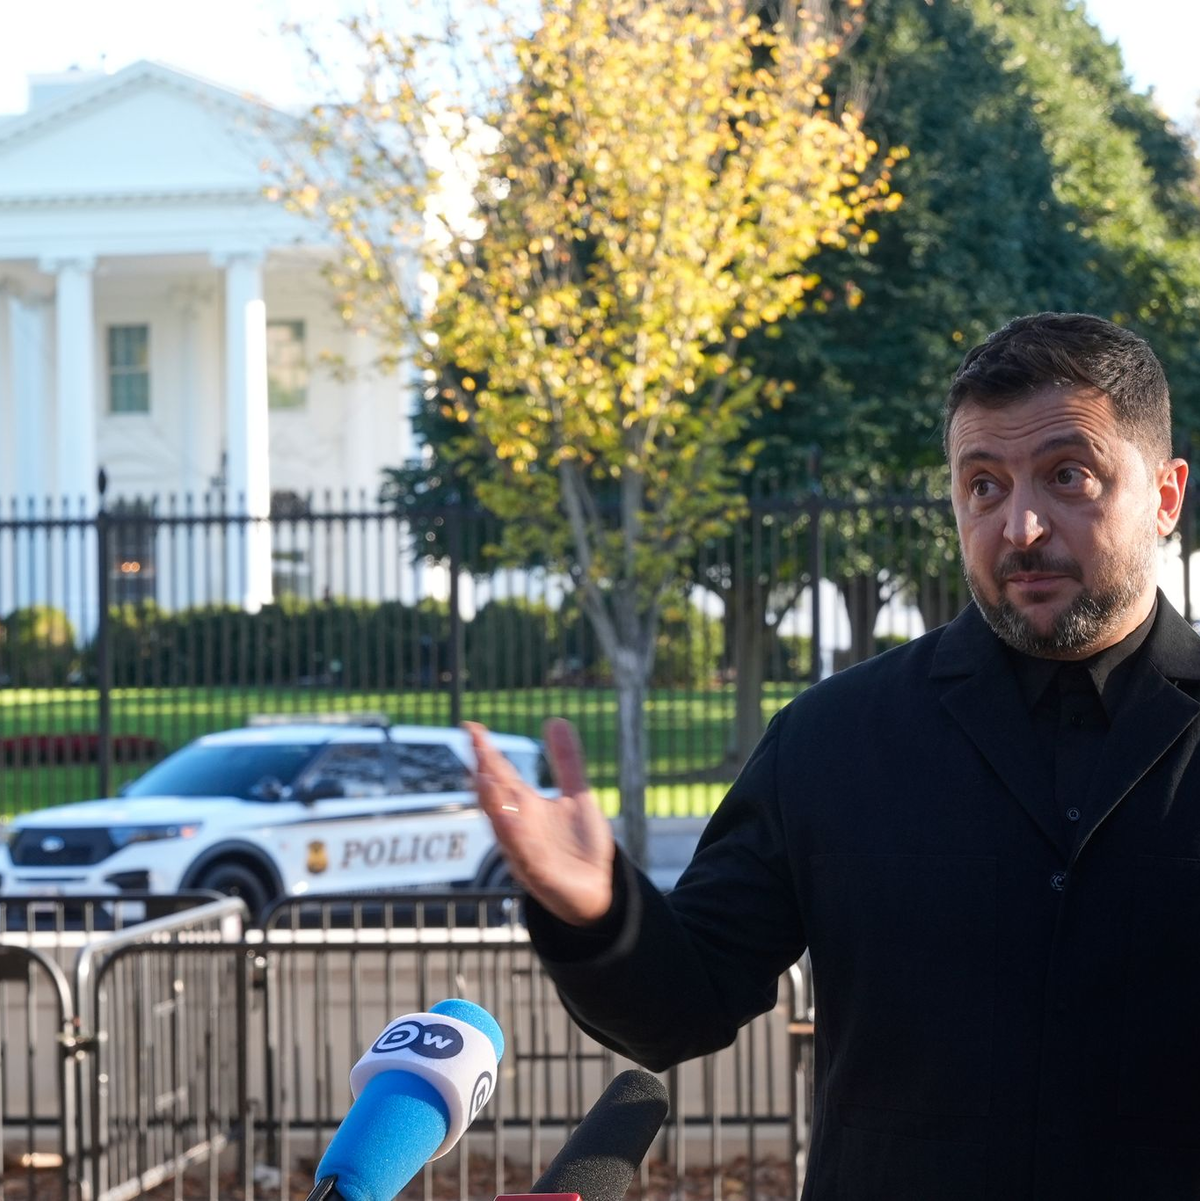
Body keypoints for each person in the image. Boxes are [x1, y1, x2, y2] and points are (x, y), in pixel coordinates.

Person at [467, 312, 1200, 1199]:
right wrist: (595, 911)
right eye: (982, 486)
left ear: (1165, 494)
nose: (1021, 525)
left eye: (1067, 475)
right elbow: (684, 1002)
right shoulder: (833, 738)